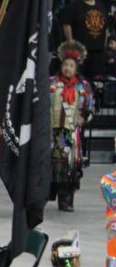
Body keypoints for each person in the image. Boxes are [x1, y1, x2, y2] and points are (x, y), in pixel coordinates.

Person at [49, 41, 95, 211]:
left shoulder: (83, 86)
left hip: (71, 134)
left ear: (76, 68)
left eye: (71, 65)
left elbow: (90, 108)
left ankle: (66, 200)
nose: (67, 68)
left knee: (69, 166)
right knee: (51, 165)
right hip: (51, 132)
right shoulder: (51, 83)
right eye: (65, 65)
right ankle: (45, 195)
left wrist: (83, 118)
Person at [61, 0, 109, 80]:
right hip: (81, 50)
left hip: (98, 51)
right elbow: (66, 24)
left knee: (96, 81)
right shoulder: (74, 6)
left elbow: (106, 27)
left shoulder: (101, 6)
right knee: (79, 79)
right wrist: (71, 43)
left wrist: (104, 45)